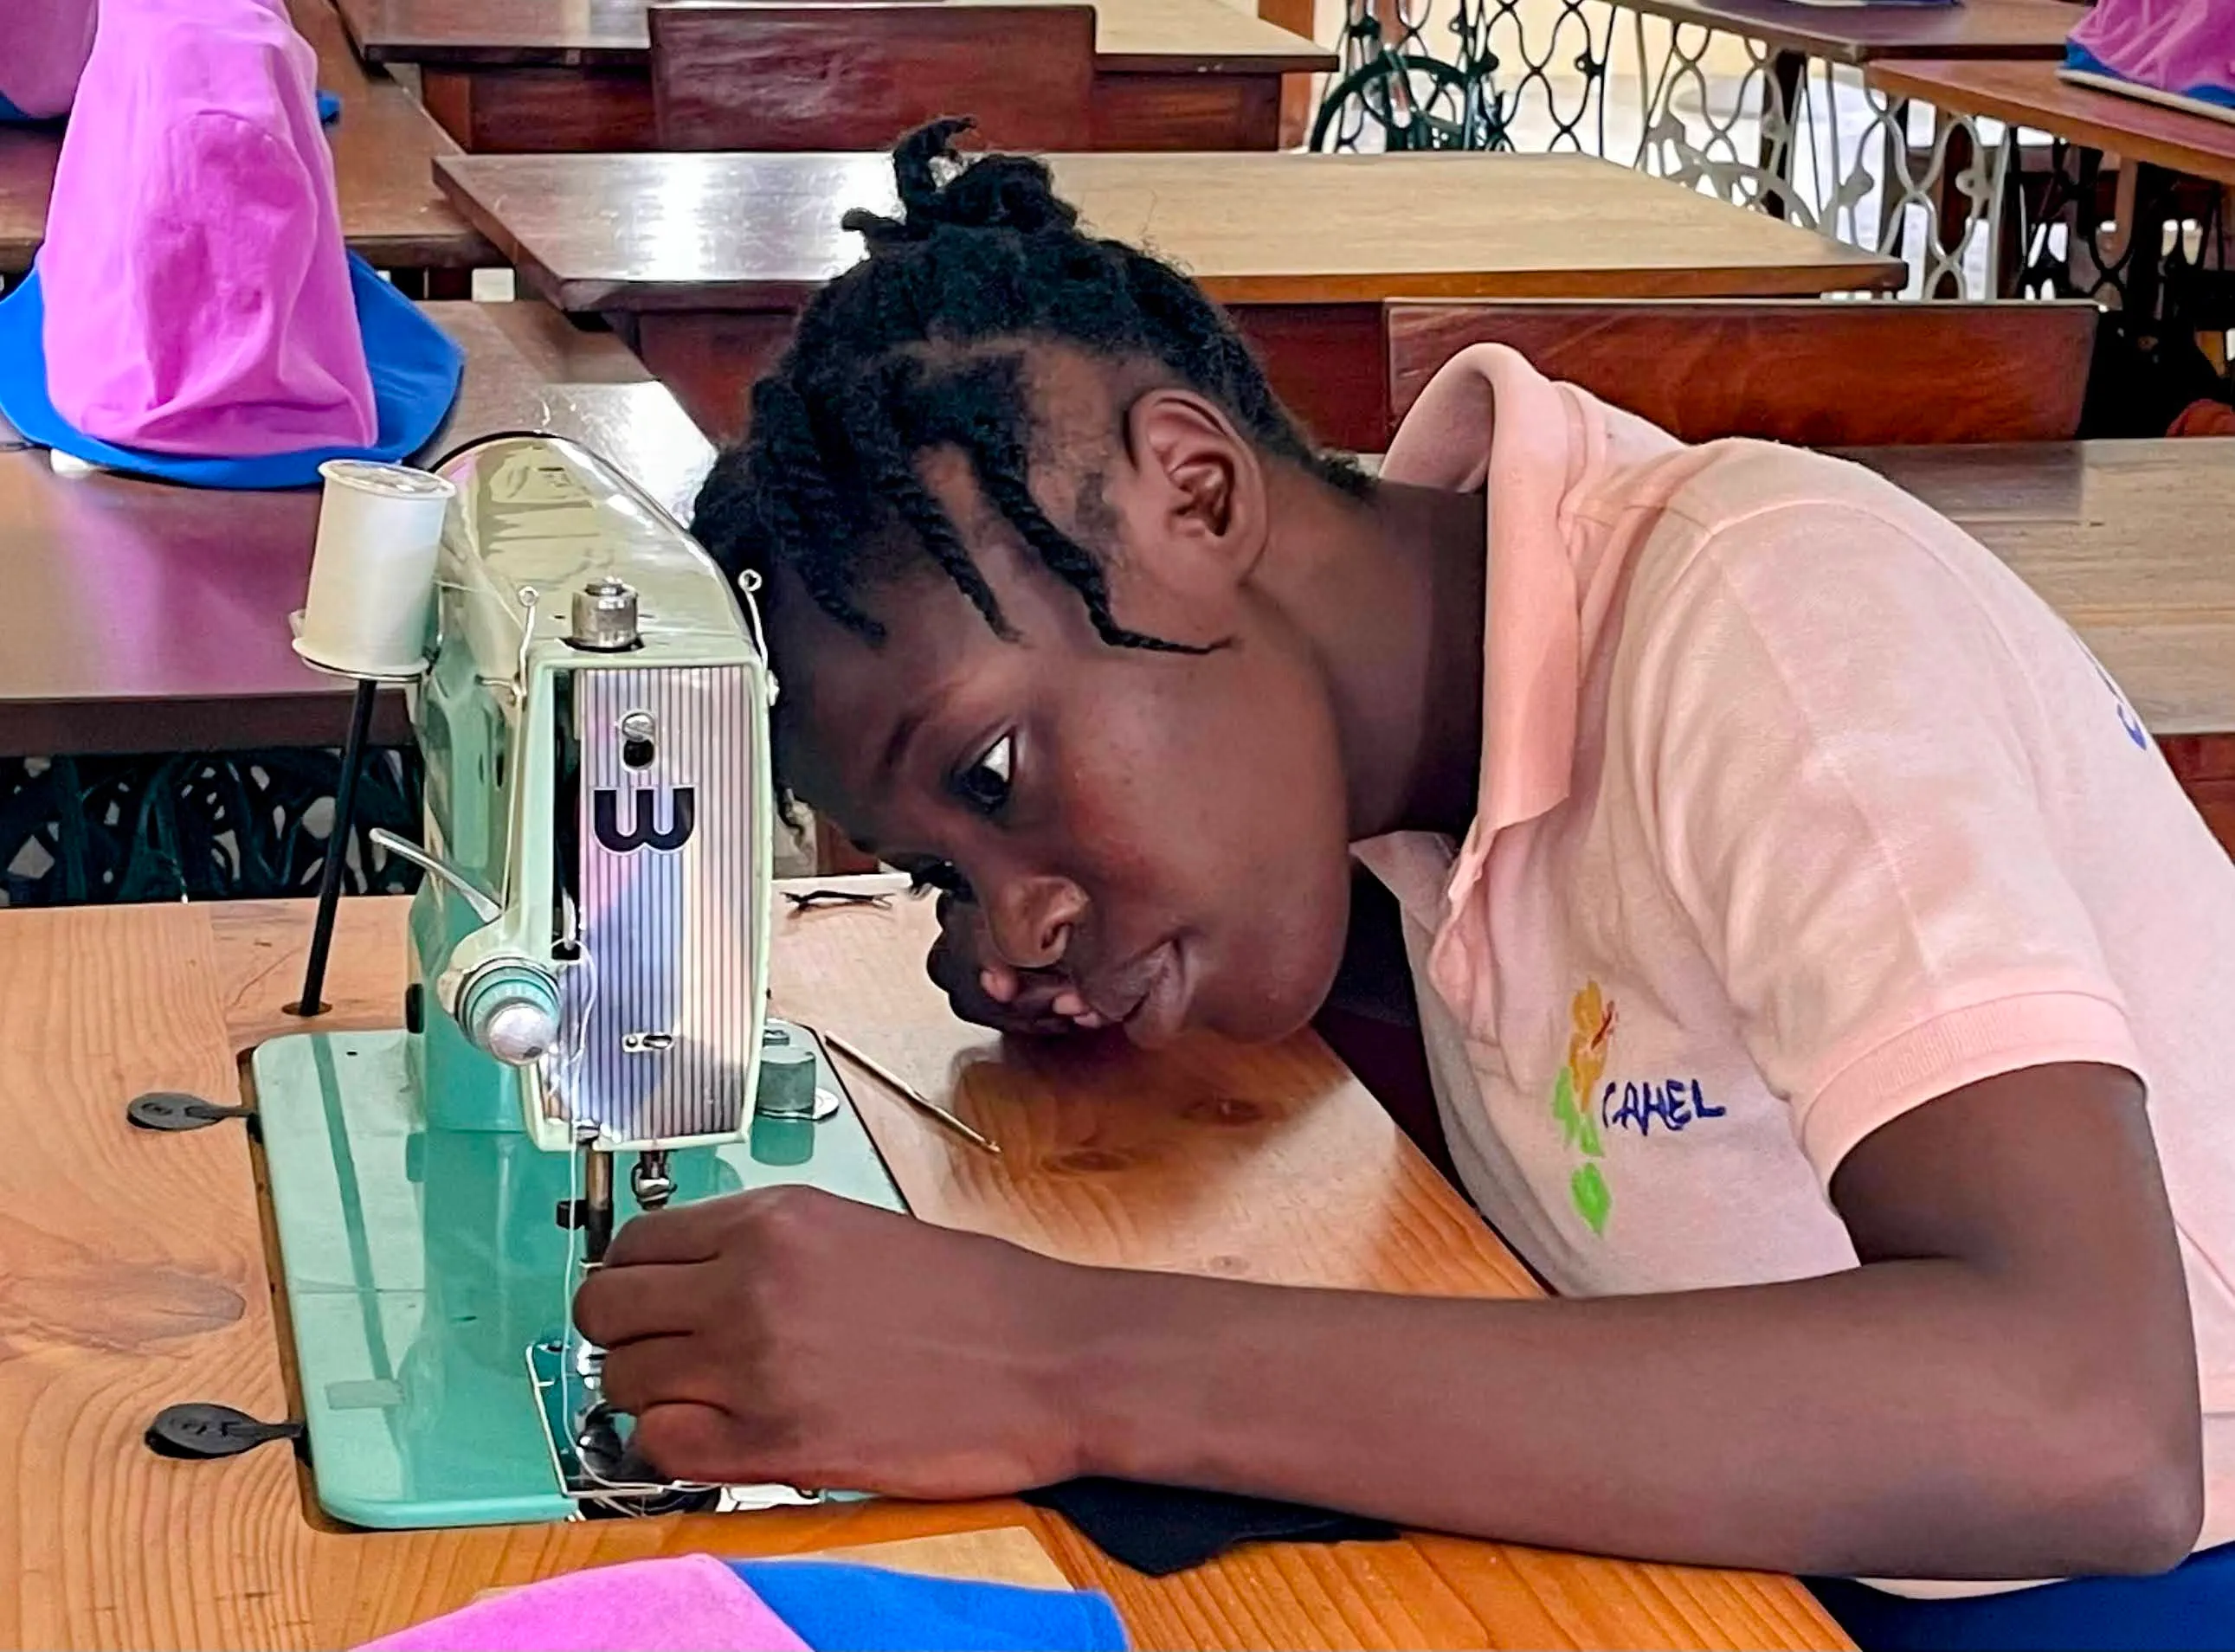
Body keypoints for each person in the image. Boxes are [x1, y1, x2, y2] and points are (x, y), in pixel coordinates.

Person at [572, 120, 2235, 1649]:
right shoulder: (1391, 768)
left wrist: (1055, 1358)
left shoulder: (1766, 618)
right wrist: (1083, 963)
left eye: (994, 775)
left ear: (1193, 493)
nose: (1007, 914)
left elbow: (2083, 1422)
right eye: (944, 872)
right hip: (1783, 1570)